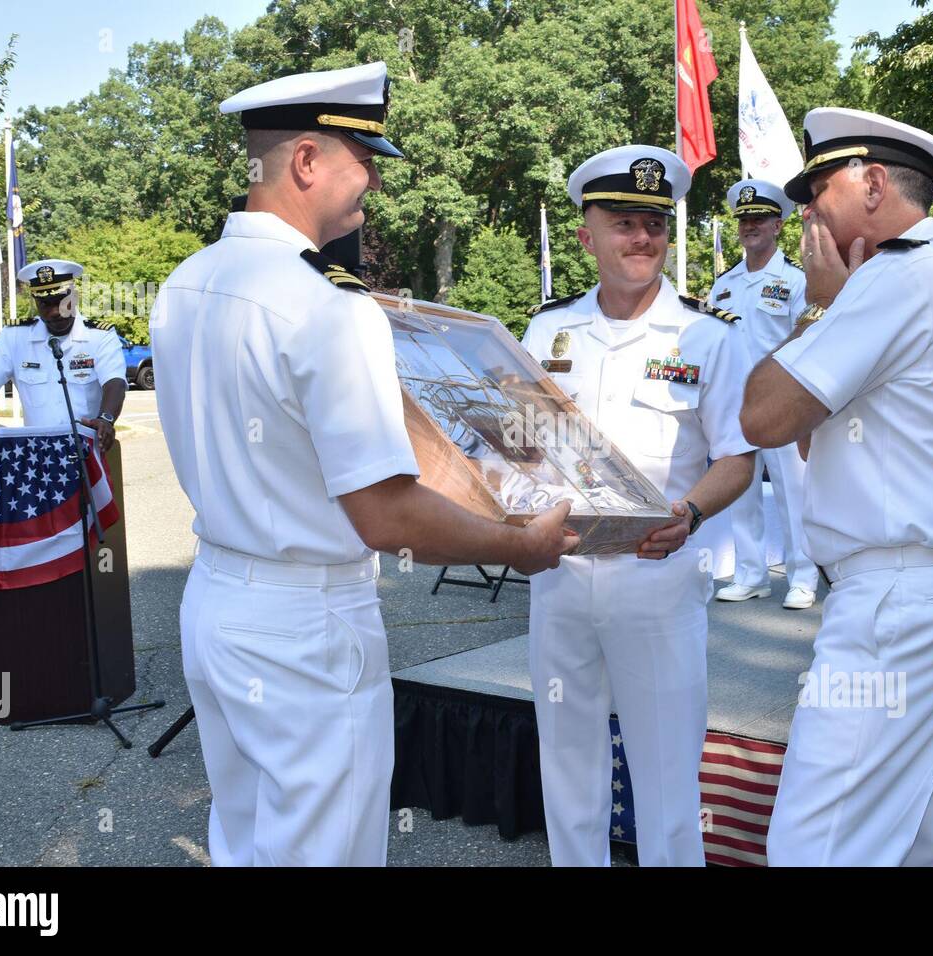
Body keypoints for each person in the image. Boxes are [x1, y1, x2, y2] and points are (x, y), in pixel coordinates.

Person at [149, 62, 577, 867]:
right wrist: (522, 547)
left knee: (245, 844)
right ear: (306, 161)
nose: (373, 180)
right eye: (362, 157)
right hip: (307, 624)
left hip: (217, 602)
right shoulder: (329, 305)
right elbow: (386, 515)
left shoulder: (186, 281)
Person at [740, 107, 933, 865]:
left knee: (816, 848)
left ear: (873, 182)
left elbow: (762, 415)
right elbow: (799, 427)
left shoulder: (894, 278)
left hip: (896, 605)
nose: (806, 213)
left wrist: (818, 302)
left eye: (818, 187)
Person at [521, 145, 756, 866]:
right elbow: (521, 448)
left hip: (658, 577)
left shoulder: (707, 336)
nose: (642, 238)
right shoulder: (544, 331)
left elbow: (739, 458)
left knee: (666, 780)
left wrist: (687, 514)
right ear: (586, 235)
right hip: (559, 577)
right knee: (566, 768)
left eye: (654, 223)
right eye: (623, 222)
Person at [708, 179, 819, 609]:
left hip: (781, 403)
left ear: (778, 225)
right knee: (741, 491)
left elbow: (804, 338)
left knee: (795, 492)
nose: (750, 226)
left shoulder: (795, 281)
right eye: (744, 220)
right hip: (734, 404)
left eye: (759, 219)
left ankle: (803, 577)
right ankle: (751, 574)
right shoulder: (724, 285)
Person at [0, 260, 125, 450]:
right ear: (35, 302)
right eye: (45, 304)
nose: (54, 312)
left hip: (88, 451)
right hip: (37, 455)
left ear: (74, 297)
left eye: (61, 302)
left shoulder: (99, 336)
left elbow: (114, 382)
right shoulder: (15, 337)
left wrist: (106, 419)